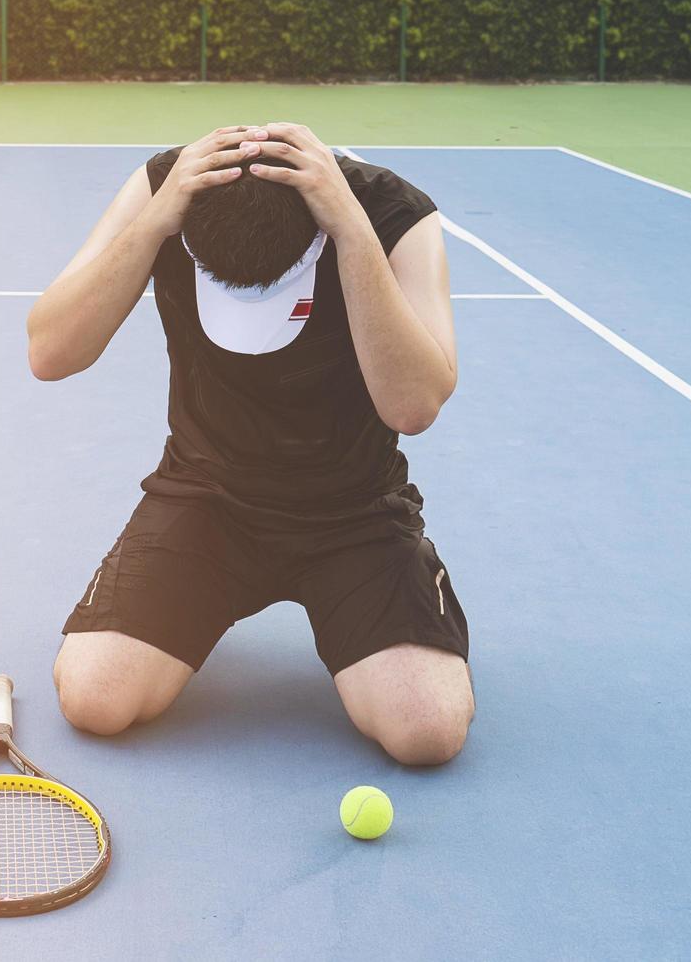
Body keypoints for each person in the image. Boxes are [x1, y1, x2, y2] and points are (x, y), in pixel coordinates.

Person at [25, 123, 473, 765]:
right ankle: (197, 604)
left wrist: (351, 232)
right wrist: (153, 225)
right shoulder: (163, 187)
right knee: (95, 699)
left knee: (426, 733)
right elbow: (50, 353)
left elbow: (413, 406)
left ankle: (399, 602)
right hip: (207, 501)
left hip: (354, 514)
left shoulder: (394, 212)